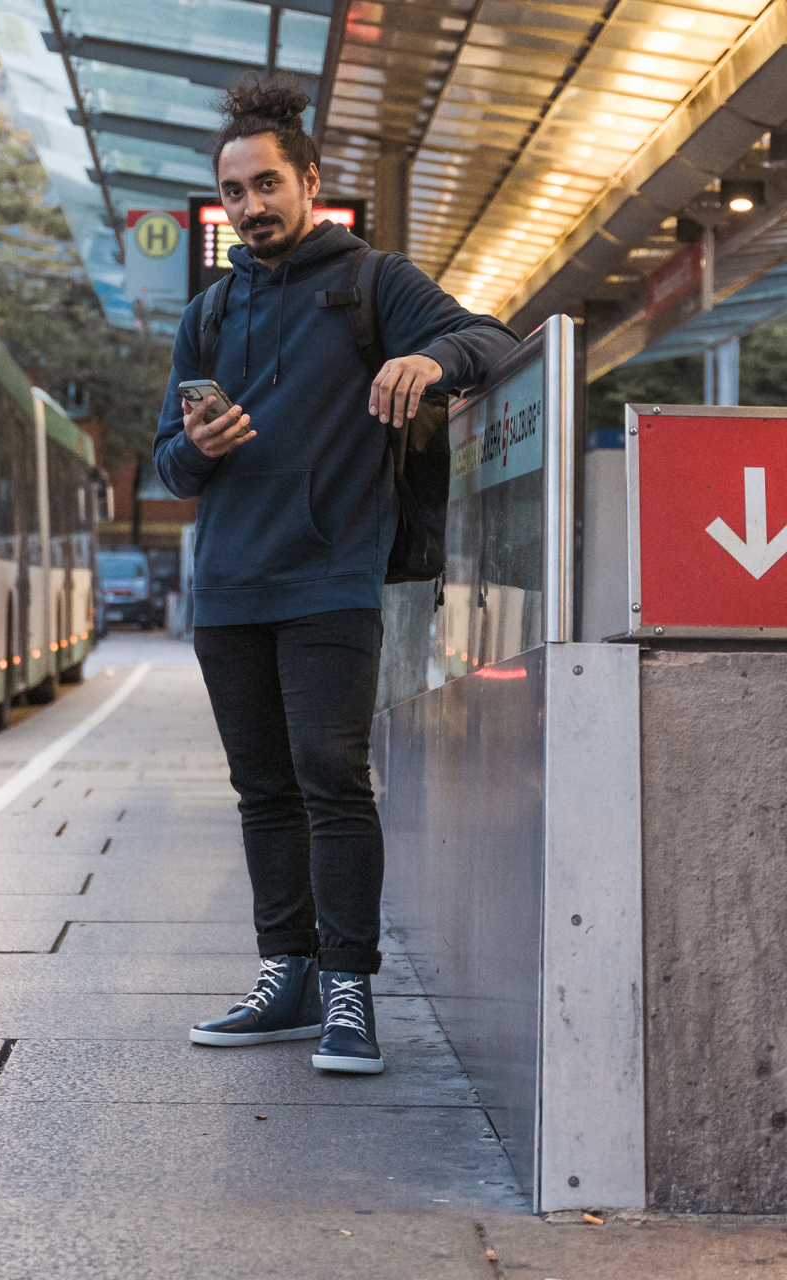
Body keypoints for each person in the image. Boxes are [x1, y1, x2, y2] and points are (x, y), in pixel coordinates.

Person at [153, 78, 518, 1074]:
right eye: (233, 191)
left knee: (330, 776)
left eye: (266, 183)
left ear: (308, 180)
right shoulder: (210, 311)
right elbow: (165, 467)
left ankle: (350, 988)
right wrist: (199, 445)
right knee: (262, 788)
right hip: (229, 586)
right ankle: (288, 973)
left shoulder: (371, 280)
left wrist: (432, 359)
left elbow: (491, 338)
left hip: (331, 580)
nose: (249, 206)